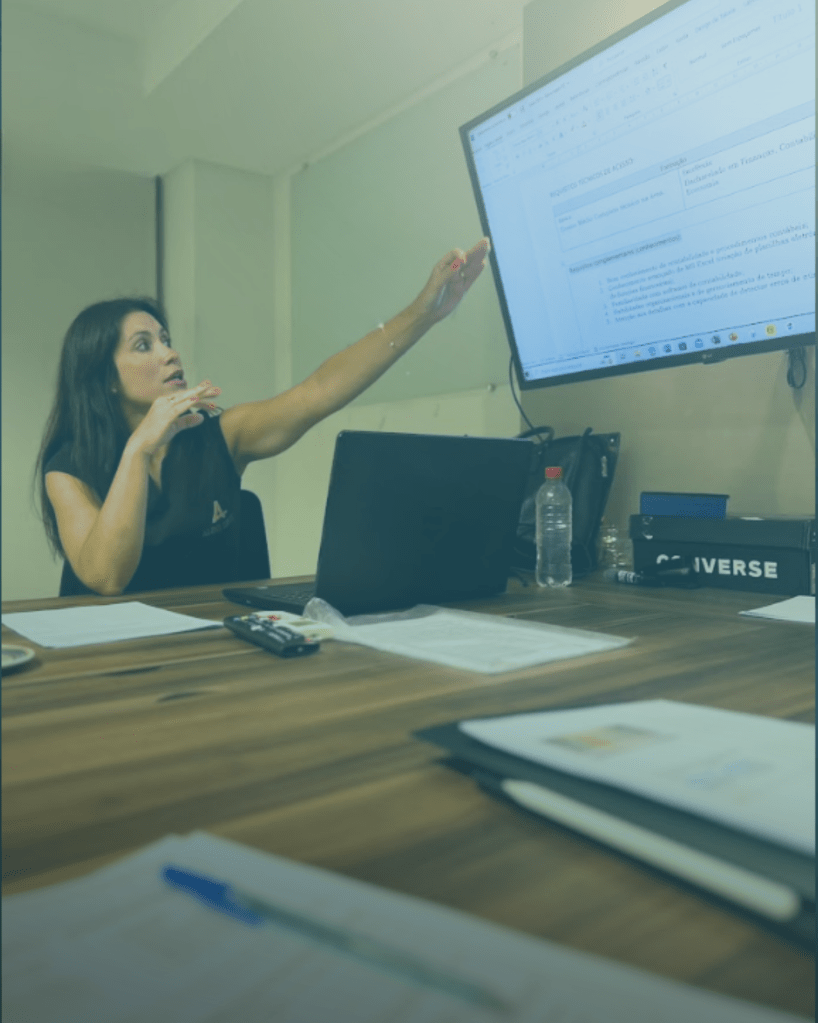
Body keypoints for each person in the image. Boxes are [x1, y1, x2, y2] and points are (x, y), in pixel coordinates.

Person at [36, 238, 490, 596]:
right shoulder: (68, 468)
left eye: (165, 339)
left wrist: (424, 313)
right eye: (144, 345)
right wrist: (138, 449)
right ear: (107, 380)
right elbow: (107, 577)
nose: (170, 353)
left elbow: (318, 392)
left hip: (208, 654)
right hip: (109, 663)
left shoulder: (222, 436)